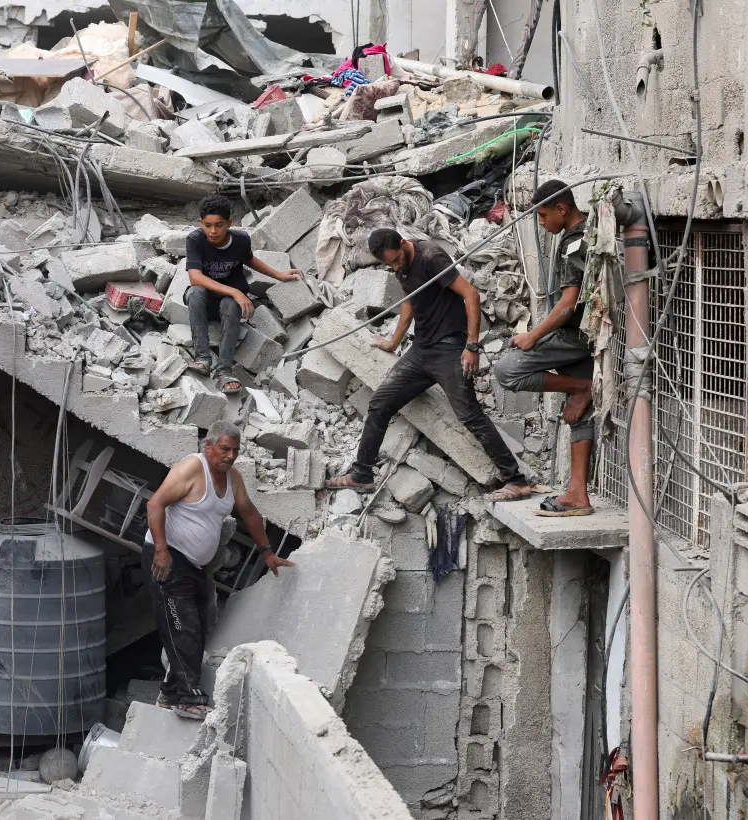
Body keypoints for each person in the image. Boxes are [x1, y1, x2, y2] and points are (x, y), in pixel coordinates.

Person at [327, 228, 532, 500]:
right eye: (390, 264)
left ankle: (516, 481)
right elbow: (410, 302)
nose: (396, 266)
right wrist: (393, 342)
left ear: (403, 244)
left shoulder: (431, 257)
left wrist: (471, 346)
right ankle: (362, 474)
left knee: (470, 415)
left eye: (397, 260)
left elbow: (471, 296)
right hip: (421, 349)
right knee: (380, 404)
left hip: (449, 348)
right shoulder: (400, 265)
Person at [144, 420, 295, 720]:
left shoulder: (233, 479)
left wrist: (267, 552)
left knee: (198, 625)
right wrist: (161, 550)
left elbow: (249, 511)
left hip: (194, 565)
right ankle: (187, 699)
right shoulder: (191, 469)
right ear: (208, 446)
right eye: (224, 449)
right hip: (168, 559)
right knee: (182, 626)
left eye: (235, 451)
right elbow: (154, 504)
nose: (230, 456)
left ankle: (170, 692)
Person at [492, 179, 595, 517]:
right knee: (578, 411)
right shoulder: (579, 233)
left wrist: (533, 336)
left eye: (542, 215)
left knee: (507, 370)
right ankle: (578, 495)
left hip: (575, 335)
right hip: (586, 335)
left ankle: (583, 387)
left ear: (562, 209)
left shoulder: (574, 242)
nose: (541, 222)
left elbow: (568, 304)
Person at [185, 195, 301, 394]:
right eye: (208, 225)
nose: (213, 231)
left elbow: (249, 260)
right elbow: (195, 277)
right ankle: (202, 359)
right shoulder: (195, 240)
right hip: (205, 302)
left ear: (230, 223)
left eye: (219, 225)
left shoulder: (240, 240)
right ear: (200, 223)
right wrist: (235, 291)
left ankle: (224, 371)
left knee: (230, 304)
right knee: (195, 292)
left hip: (229, 305)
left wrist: (279, 275)